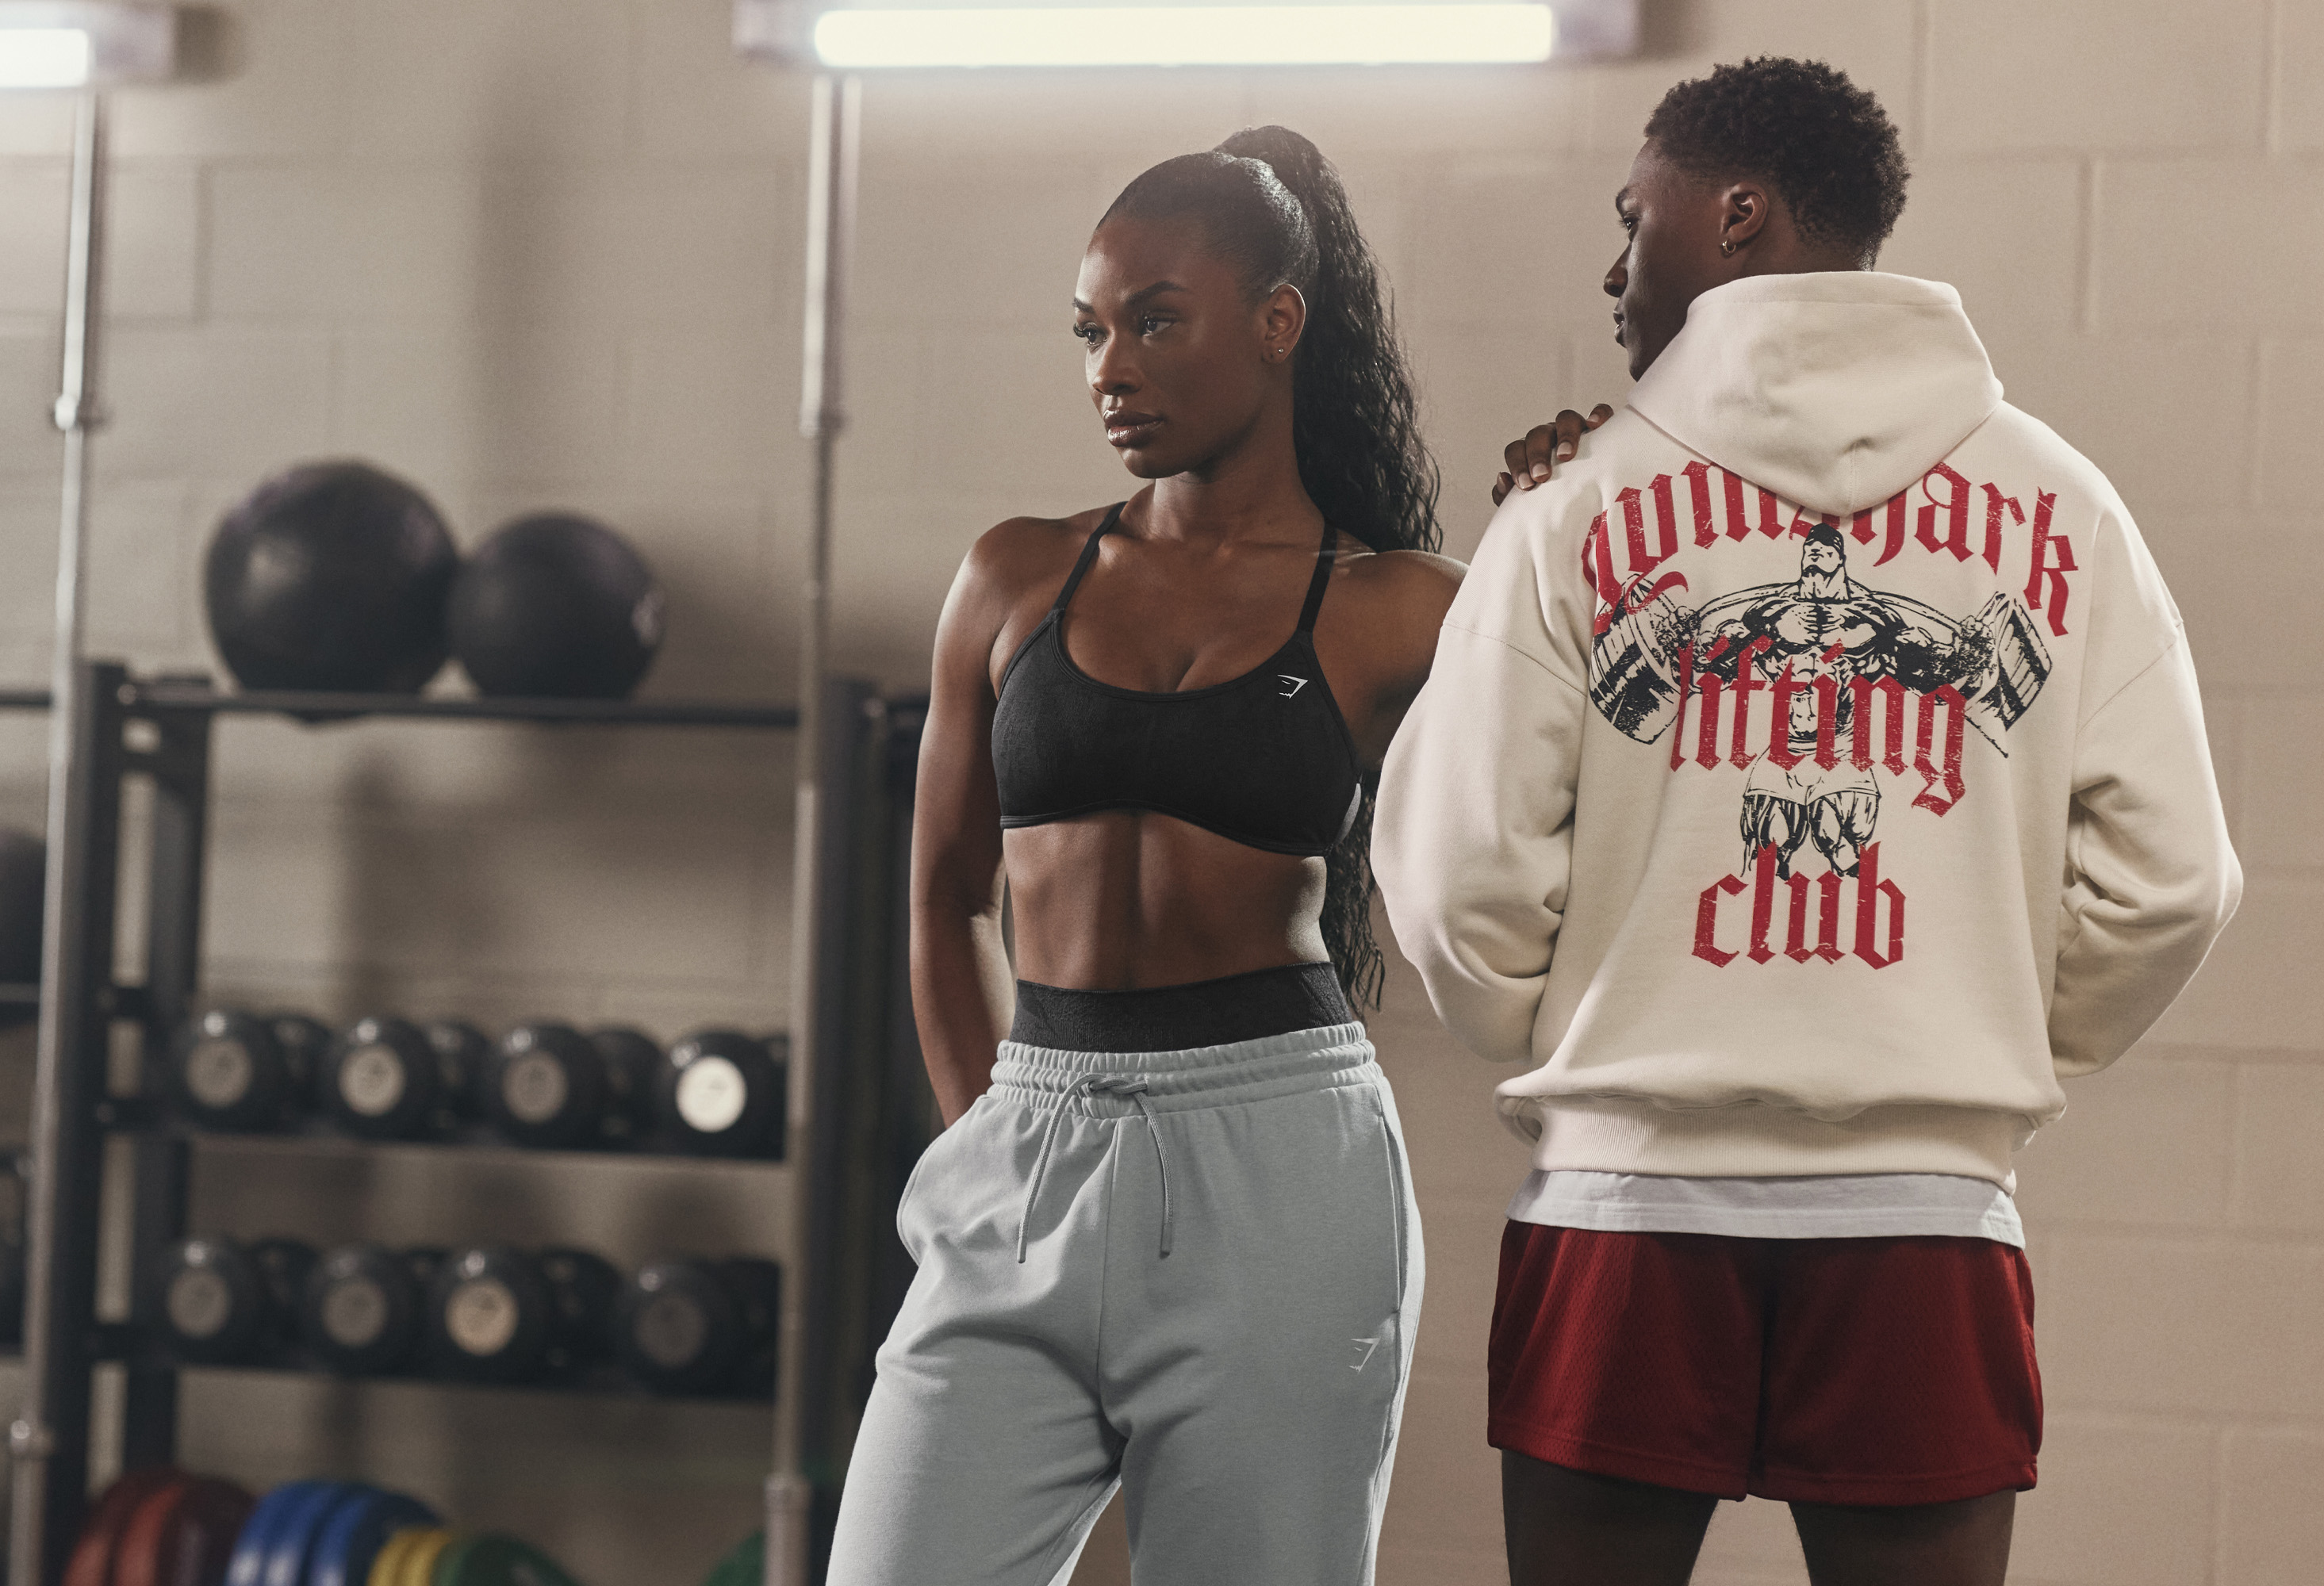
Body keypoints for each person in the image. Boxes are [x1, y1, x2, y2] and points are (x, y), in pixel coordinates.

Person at [1372, 57, 2242, 1586]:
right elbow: (2172, 882)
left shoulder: (1571, 506)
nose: (1616, 267)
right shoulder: (2066, 507)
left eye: (1634, 218)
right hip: (1927, 1212)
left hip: (1626, 1208)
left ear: (1736, 214)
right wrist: (1968, 1025)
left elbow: (1455, 880)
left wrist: (1563, 1026)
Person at [826, 126, 1457, 1586]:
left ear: (1278, 324)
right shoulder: (1014, 575)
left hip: (1276, 1163)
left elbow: (1595, 770)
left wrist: (1575, 504)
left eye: (1157, 322)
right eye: (1092, 331)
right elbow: (942, 900)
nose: (1112, 367)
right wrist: (991, 1141)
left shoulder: (1401, 606)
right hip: (1027, 1148)